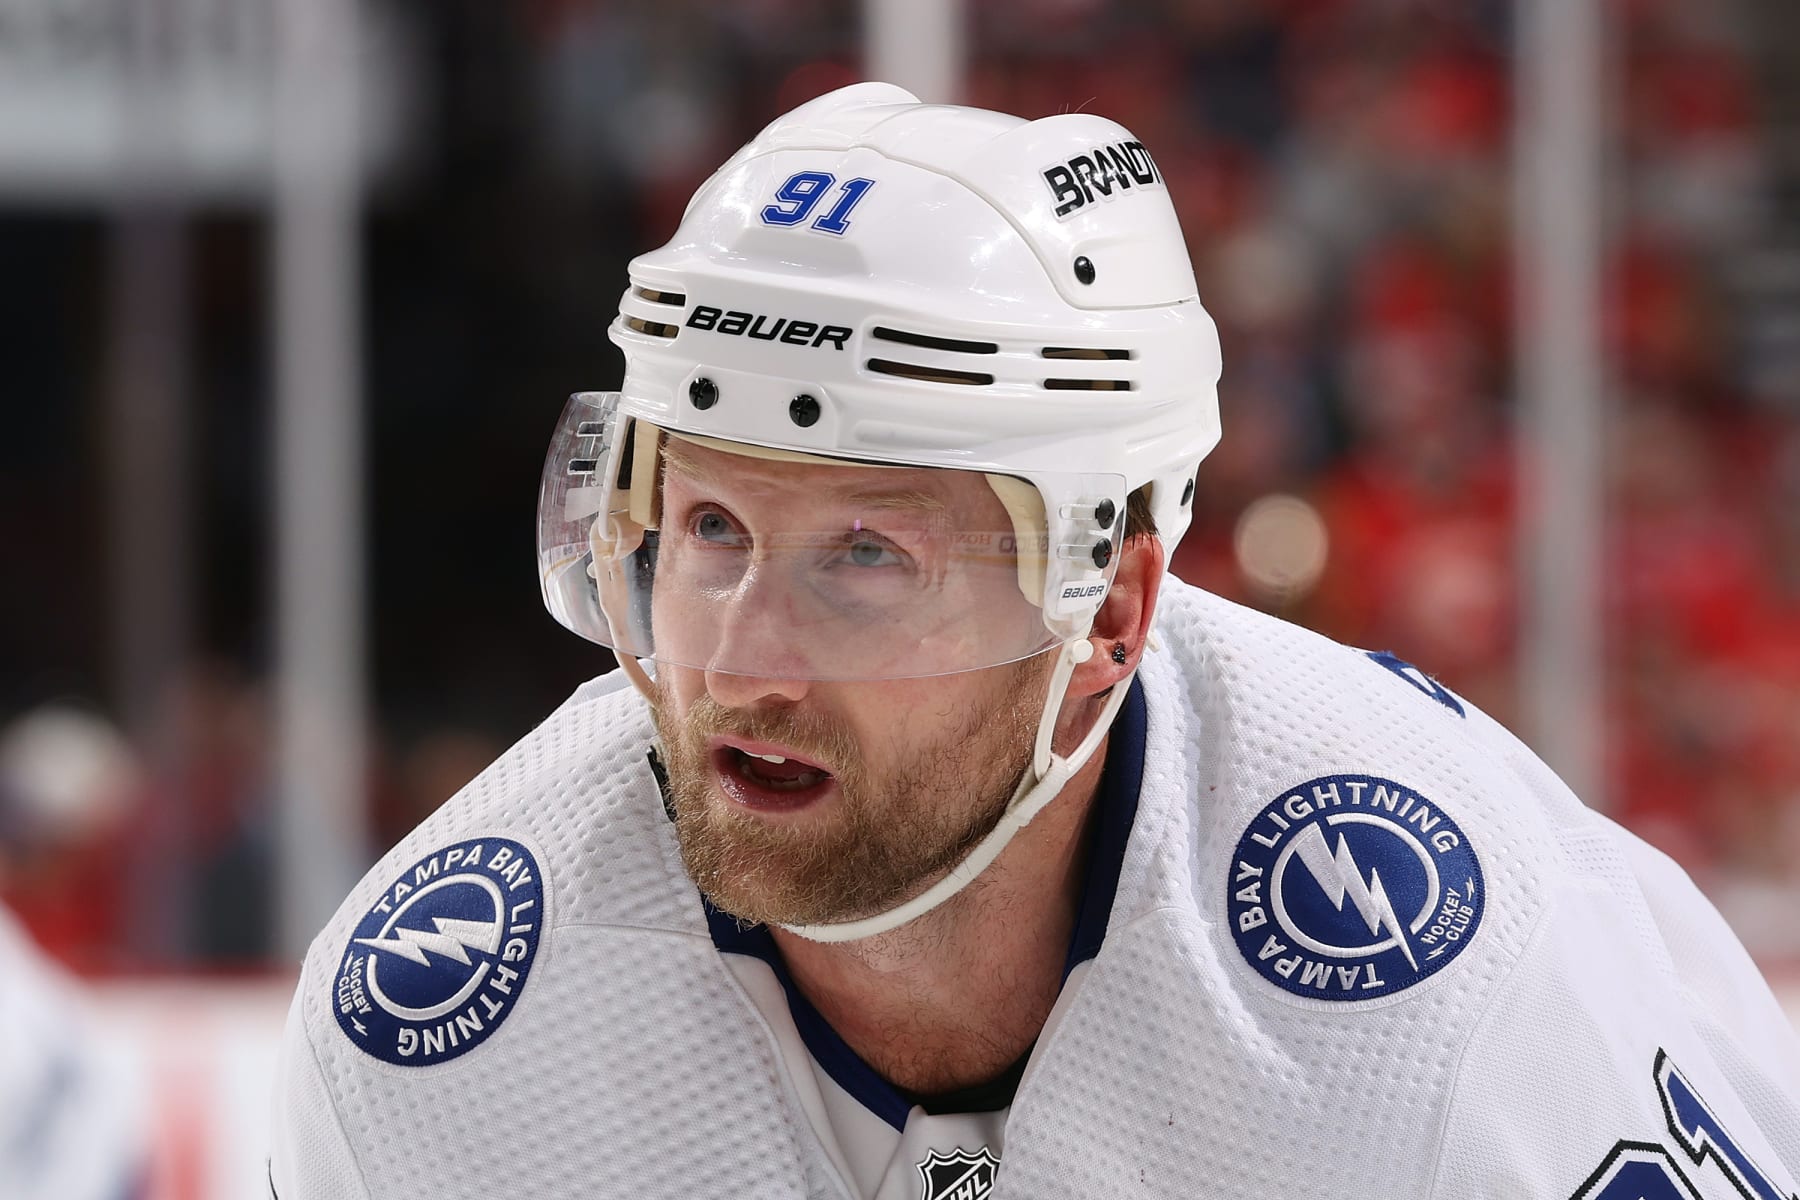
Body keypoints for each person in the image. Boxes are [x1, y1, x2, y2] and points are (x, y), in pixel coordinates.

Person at [267, 83, 1800, 1199]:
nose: (744, 661)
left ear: (1111, 613)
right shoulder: (442, 1027)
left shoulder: (1444, 990)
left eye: (868, 554)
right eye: (712, 531)